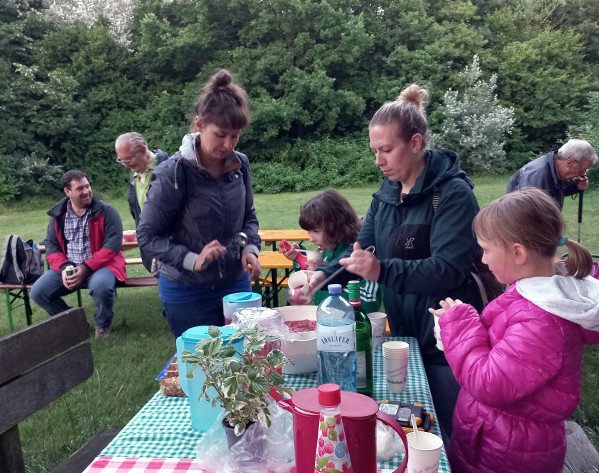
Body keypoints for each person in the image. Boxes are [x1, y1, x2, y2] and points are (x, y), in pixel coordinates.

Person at [306, 83, 484, 443]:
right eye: (375, 151)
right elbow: (359, 249)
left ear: (415, 143)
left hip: (445, 338)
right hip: (403, 332)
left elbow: (449, 268)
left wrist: (383, 270)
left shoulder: (452, 194)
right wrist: (319, 276)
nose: (378, 160)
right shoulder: (386, 194)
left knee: (448, 430)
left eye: (386, 150)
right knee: (411, 422)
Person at [429, 187, 599, 473]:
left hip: (509, 453)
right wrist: (460, 325)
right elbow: (504, 347)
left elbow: (490, 382)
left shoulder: (542, 321)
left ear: (518, 252)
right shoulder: (533, 293)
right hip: (495, 437)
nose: (482, 260)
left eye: (486, 250)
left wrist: (458, 326)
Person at [136, 69, 261, 337]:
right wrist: (193, 259)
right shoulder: (173, 173)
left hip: (236, 284)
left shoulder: (241, 165)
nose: (228, 144)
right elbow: (147, 237)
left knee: (245, 366)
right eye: (221, 134)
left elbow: (248, 216)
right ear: (199, 125)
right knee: (204, 374)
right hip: (186, 291)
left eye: (235, 136)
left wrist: (250, 247)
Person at [31, 170, 126, 339]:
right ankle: (75, 322)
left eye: (88, 186)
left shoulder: (106, 211)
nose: (87, 191)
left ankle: (103, 325)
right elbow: (51, 246)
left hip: (102, 266)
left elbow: (112, 246)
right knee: (38, 292)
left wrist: (85, 268)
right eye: (80, 188)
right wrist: (64, 266)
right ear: (67, 192)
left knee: (101, 286)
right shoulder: (58, 215)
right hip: (69, 266)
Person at [280, 188, 382, 313]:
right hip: (324, 322)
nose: (311, 238)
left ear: (336, 226)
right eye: (309, 231)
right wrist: (298, 256)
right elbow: (308, 274)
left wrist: (330, 278)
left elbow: (369, 301)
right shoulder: (326, 250)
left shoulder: (362, 254)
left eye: (316, 231)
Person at [114, 132, 169, 272]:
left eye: (128, 159)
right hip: (149, 245)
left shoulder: (169, 169)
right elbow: (135, 209)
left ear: (143, 151)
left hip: (170, 246)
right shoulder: (135, 173)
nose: (125, 165)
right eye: (121, 161)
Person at [506, 138, 597, 209]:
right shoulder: (536, 174)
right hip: (522, 229)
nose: (583, 174)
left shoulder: (555, 170)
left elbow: (555, 191)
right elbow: (528, 213)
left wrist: (576, 185)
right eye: (584, 169)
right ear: (570, 162)